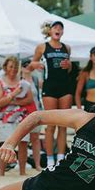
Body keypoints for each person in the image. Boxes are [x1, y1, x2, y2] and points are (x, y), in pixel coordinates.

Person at [31, 21, 72, 168]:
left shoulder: (67, 47)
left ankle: (61, 159)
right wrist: (37, 65)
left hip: (65, 88)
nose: (58, 30)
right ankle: (49, 160)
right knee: (50, 126)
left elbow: (69, 67)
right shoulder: (42, 47)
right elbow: (31, 64)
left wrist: (69, 65)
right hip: (49, 87)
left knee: (63, 125)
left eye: (60, 28)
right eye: (55, 27)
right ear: (50, 31)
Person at [0, 56, 36, 176]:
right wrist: (14, 94)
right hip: (6, 117)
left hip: (21, 116)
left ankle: (22, 171)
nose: (13, 69)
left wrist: (12, 101)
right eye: (11, 66)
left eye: (15, 67)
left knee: (23, 143)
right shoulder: (0, 83)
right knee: (5, 144)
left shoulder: (23, 81)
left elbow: (29, 99)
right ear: (5, 68)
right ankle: (2, 172)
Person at [22, 58, 43, 171]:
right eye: (24, 65)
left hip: (35, 110)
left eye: (28, 64)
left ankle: (37, 164)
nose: (27, 67)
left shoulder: (35, 78)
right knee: (23, 141)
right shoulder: (19, 79)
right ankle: (22, 164)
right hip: (23, 113)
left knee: (35, 138)